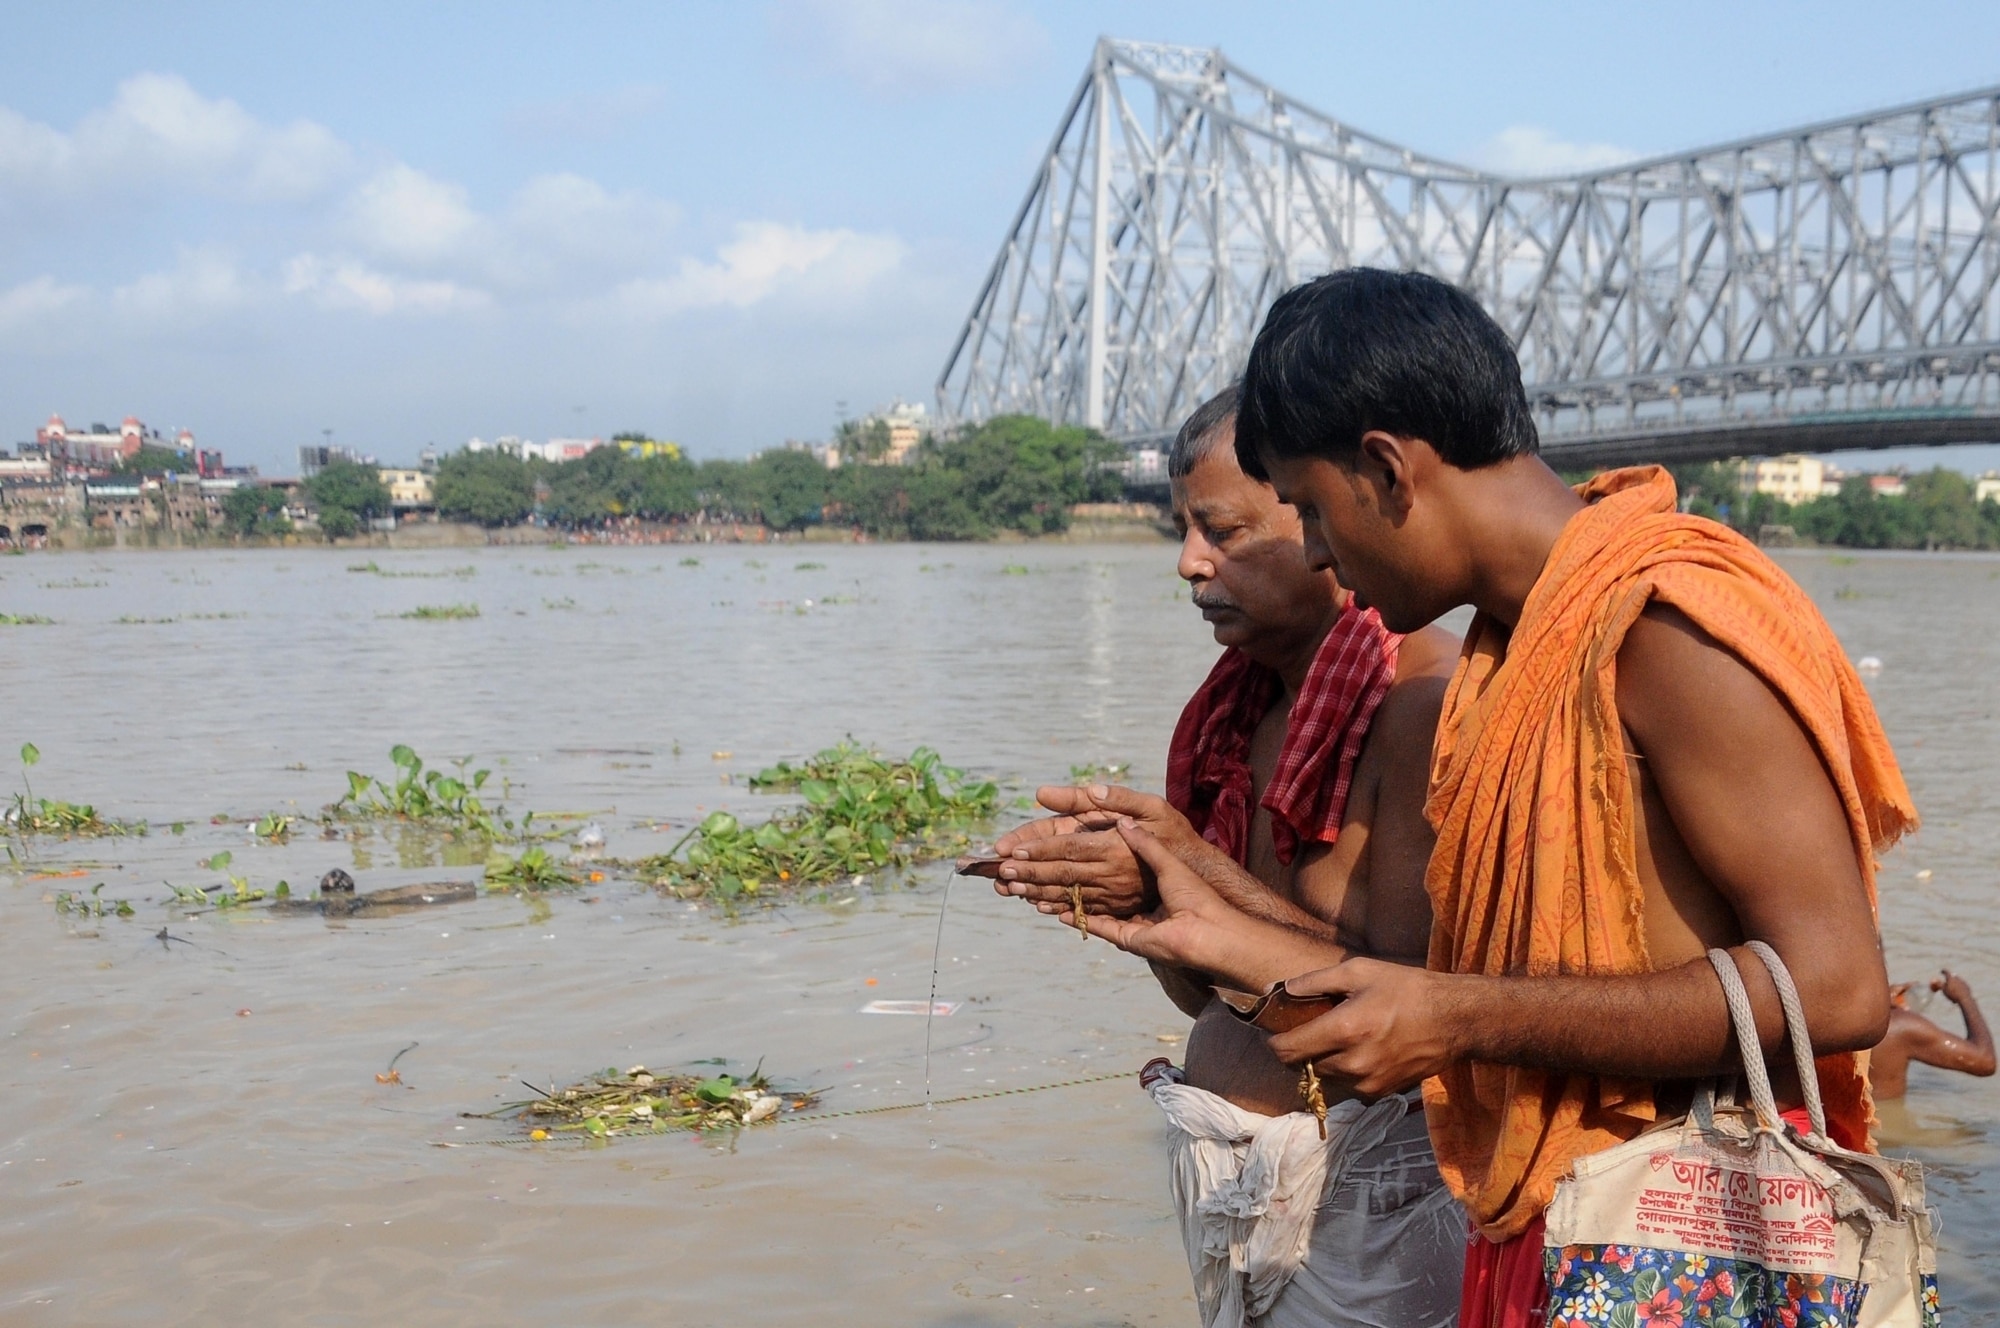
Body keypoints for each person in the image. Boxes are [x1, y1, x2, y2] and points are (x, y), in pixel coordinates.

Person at [1076, 268, 1917, 1328]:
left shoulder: (1660, 626)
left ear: (1384, 468)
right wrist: (1178, 888)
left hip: (1678, 1245)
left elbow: (1836, 989)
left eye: (1308, 507)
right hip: (1544, 1222)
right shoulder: (1508, 655)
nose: (1319, 548)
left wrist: (1461, 1015)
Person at [989, 385, 1466, 1327]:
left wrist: (1191, 873)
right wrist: (1142, 901)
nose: (1188, 564)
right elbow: (1210, 994)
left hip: (1381, 1201)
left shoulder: (1421, 702)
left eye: (1221, 531)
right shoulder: (1232, 718)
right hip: (1234, 1184)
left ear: (1322, 514)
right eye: (1184, 530)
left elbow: (1411, 1009)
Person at [1871, 970, 1994, 1099]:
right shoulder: (1901, 1027)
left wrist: (1879, 999)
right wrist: (1965, 997)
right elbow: (1985, 1061)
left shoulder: (1850, 1021)